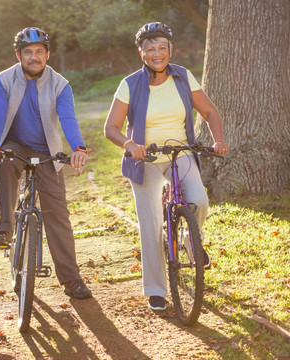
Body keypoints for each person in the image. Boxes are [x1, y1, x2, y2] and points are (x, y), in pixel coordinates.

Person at [103, 22, 229, 311]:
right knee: (150, 224)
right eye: (150, 49)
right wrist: (129, 144)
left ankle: (189, 241)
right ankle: (156, 289)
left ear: (170, 50)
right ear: (141, 53)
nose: (156, 53)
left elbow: (209, 111)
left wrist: (219, 140)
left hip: (180, 152)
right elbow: (111, 127)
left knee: (198, 201)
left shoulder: (183, 77)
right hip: (144, 159)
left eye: (162, 47)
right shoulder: (130, 83)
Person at [0, 27, 91, 299]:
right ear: (19, 55)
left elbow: (68, 118)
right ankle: (6, 228)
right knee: (4, 167)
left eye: (39, 52)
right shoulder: (3, 80)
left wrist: (78, 147)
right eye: (28, 52)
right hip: (13, 144)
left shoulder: (60, 84)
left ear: (47, 54)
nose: (34, 57)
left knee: (58, 216)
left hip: (47, 149)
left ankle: (71, 280)